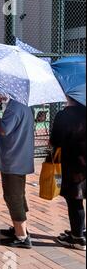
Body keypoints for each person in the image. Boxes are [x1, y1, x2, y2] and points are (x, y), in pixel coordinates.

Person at [0, 98, 35, 249]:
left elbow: (4, 128)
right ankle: (21, 228)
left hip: (14, 159)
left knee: (13, 196)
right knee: (18, 194)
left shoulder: (15, 106)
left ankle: (21, 236)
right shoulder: (24, 104)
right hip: (20, 157)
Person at [51, 96, 86, 251]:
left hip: (72, 164)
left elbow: (55, 140)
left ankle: (78, 238)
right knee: (78, 199)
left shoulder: (64, 115)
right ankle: (79, 230)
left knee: (74, 200)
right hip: (83, 163)